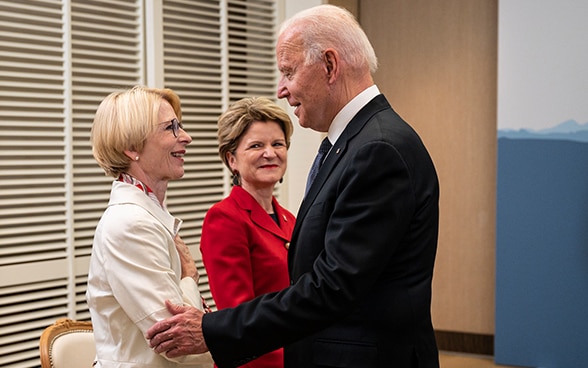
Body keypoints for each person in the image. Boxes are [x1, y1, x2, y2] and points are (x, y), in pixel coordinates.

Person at [147, 5, 440, 368]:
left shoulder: (376, 150)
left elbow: (332, 286)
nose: (281, 89)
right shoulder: (358, 142)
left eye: (288, 72)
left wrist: (212, 329)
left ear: (330, 66)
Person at [86, 85, 213, 367]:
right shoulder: (130, 223)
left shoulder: (147, 214)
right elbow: (179, 342)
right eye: (171, 128)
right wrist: (189, 277)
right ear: (131, 148)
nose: (187, 137)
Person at [200, 97, 296, 367]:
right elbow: (238, 319)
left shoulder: (290, 219)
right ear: (232, 159)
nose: (270, 153)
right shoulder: (225, 218)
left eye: (277, 144)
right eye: (256, 146)